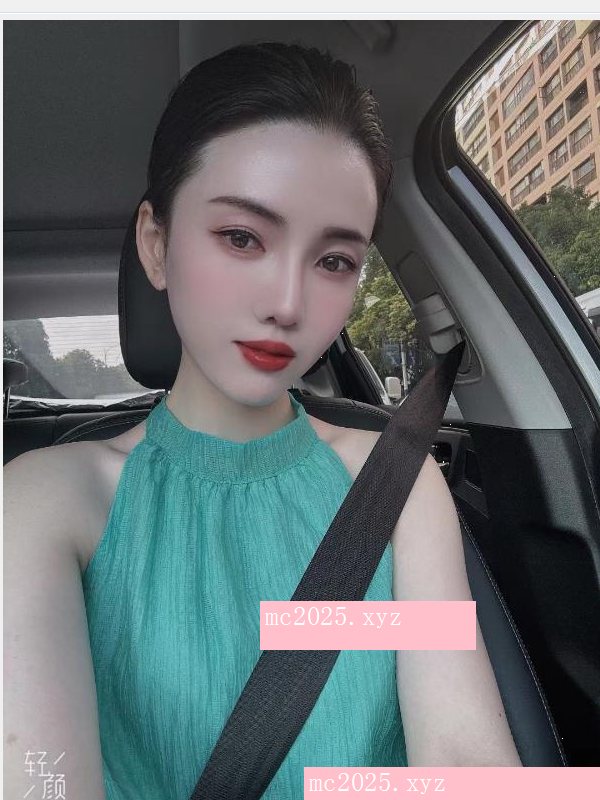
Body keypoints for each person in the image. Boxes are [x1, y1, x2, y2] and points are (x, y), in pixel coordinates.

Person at [4, 41, 522, 800]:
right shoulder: (44, 500)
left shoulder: (396, 485)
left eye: (334, 260)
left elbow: (466, 765)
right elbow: (39, 782)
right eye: (242, 237)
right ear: (157, 245)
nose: (287, 302)